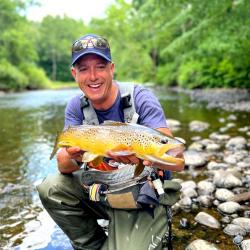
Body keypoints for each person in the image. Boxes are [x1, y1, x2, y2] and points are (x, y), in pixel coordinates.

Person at [37, 33, 184, 250]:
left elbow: (177, 158)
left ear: (112, 69)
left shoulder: (141, 97)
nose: (93, 76)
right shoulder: (76, 106)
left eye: (100, 67)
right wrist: (74, 156)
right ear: (74, 74)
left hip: (142, 198)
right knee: (50, 187)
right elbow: (62, 165)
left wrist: (151, 157)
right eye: (84, 69)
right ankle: (93, 245)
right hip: (103, 192)